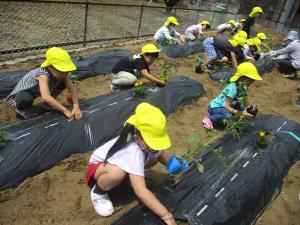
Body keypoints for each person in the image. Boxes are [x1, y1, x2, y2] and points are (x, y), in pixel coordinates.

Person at [86, 102, 177, 225]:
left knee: (154, 156)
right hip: (100, 169)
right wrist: (167, 216)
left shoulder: (144, 145)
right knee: (116, 173)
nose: (155, 147)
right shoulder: (132, 152)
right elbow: (141, 192)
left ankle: (129, 177)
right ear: (137, 138)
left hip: (122, 163)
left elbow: (159, 153)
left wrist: (171, 165)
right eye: (152, 142)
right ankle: (99, 192)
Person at [6, 47, 82, 120]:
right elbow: (45, 96)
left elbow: (71, 89)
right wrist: (64, 110)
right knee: (24, 100)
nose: (65, 74)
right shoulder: (43, 74)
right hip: (21, 95)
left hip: (36, 91)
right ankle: (20, 109)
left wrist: (76, 106)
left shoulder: (62, 74)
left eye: (67, 71)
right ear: (50, 67)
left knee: (63, 82)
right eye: (62, 70)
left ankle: (48, 104)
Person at [207, 62, 262, 126]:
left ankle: (233, 114)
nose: (252, 82)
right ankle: (210, 118)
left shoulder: (242, 88)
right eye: (251, 80)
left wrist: (249, 108)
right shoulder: (233, 89)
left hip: (230, 104)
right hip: (216, 107)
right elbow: (226, 106)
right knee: (228, 116)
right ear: (242, 78)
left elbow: (244, 101)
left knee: (241, 107)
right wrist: (240, 113)